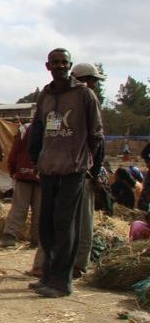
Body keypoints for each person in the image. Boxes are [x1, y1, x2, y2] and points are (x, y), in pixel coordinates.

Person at [28, 48, 103, 298]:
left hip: (74, 169)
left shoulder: (84, 95)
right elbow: (38, 127)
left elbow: (96, 134)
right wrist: (36, 156)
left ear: (69, 66)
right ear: (47, 66)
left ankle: (62, 282)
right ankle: (48, 275)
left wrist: (94, 166)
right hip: (49, 168)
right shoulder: (46, 96)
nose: (60, 66)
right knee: (46, 224)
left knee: (64, 223)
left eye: (64, 62)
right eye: (55, 62)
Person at [69, 63, 106, 276]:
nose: (95, 85)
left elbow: (98, 141)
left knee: (83, 221)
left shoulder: (89, 100)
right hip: (72, 170)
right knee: (73, 220)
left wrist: (95, 171)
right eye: (93, 80)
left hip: (84, 170)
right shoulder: (76, 101)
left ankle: (79, 264)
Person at [4, 122, 41, 250]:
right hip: (44, 176)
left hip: (24, 173)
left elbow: (15, 150)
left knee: (19, 207)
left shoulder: (25, 128)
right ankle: (37, 240)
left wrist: (13, 169)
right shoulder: (53, 126)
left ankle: (10, 235)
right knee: (40, 210)